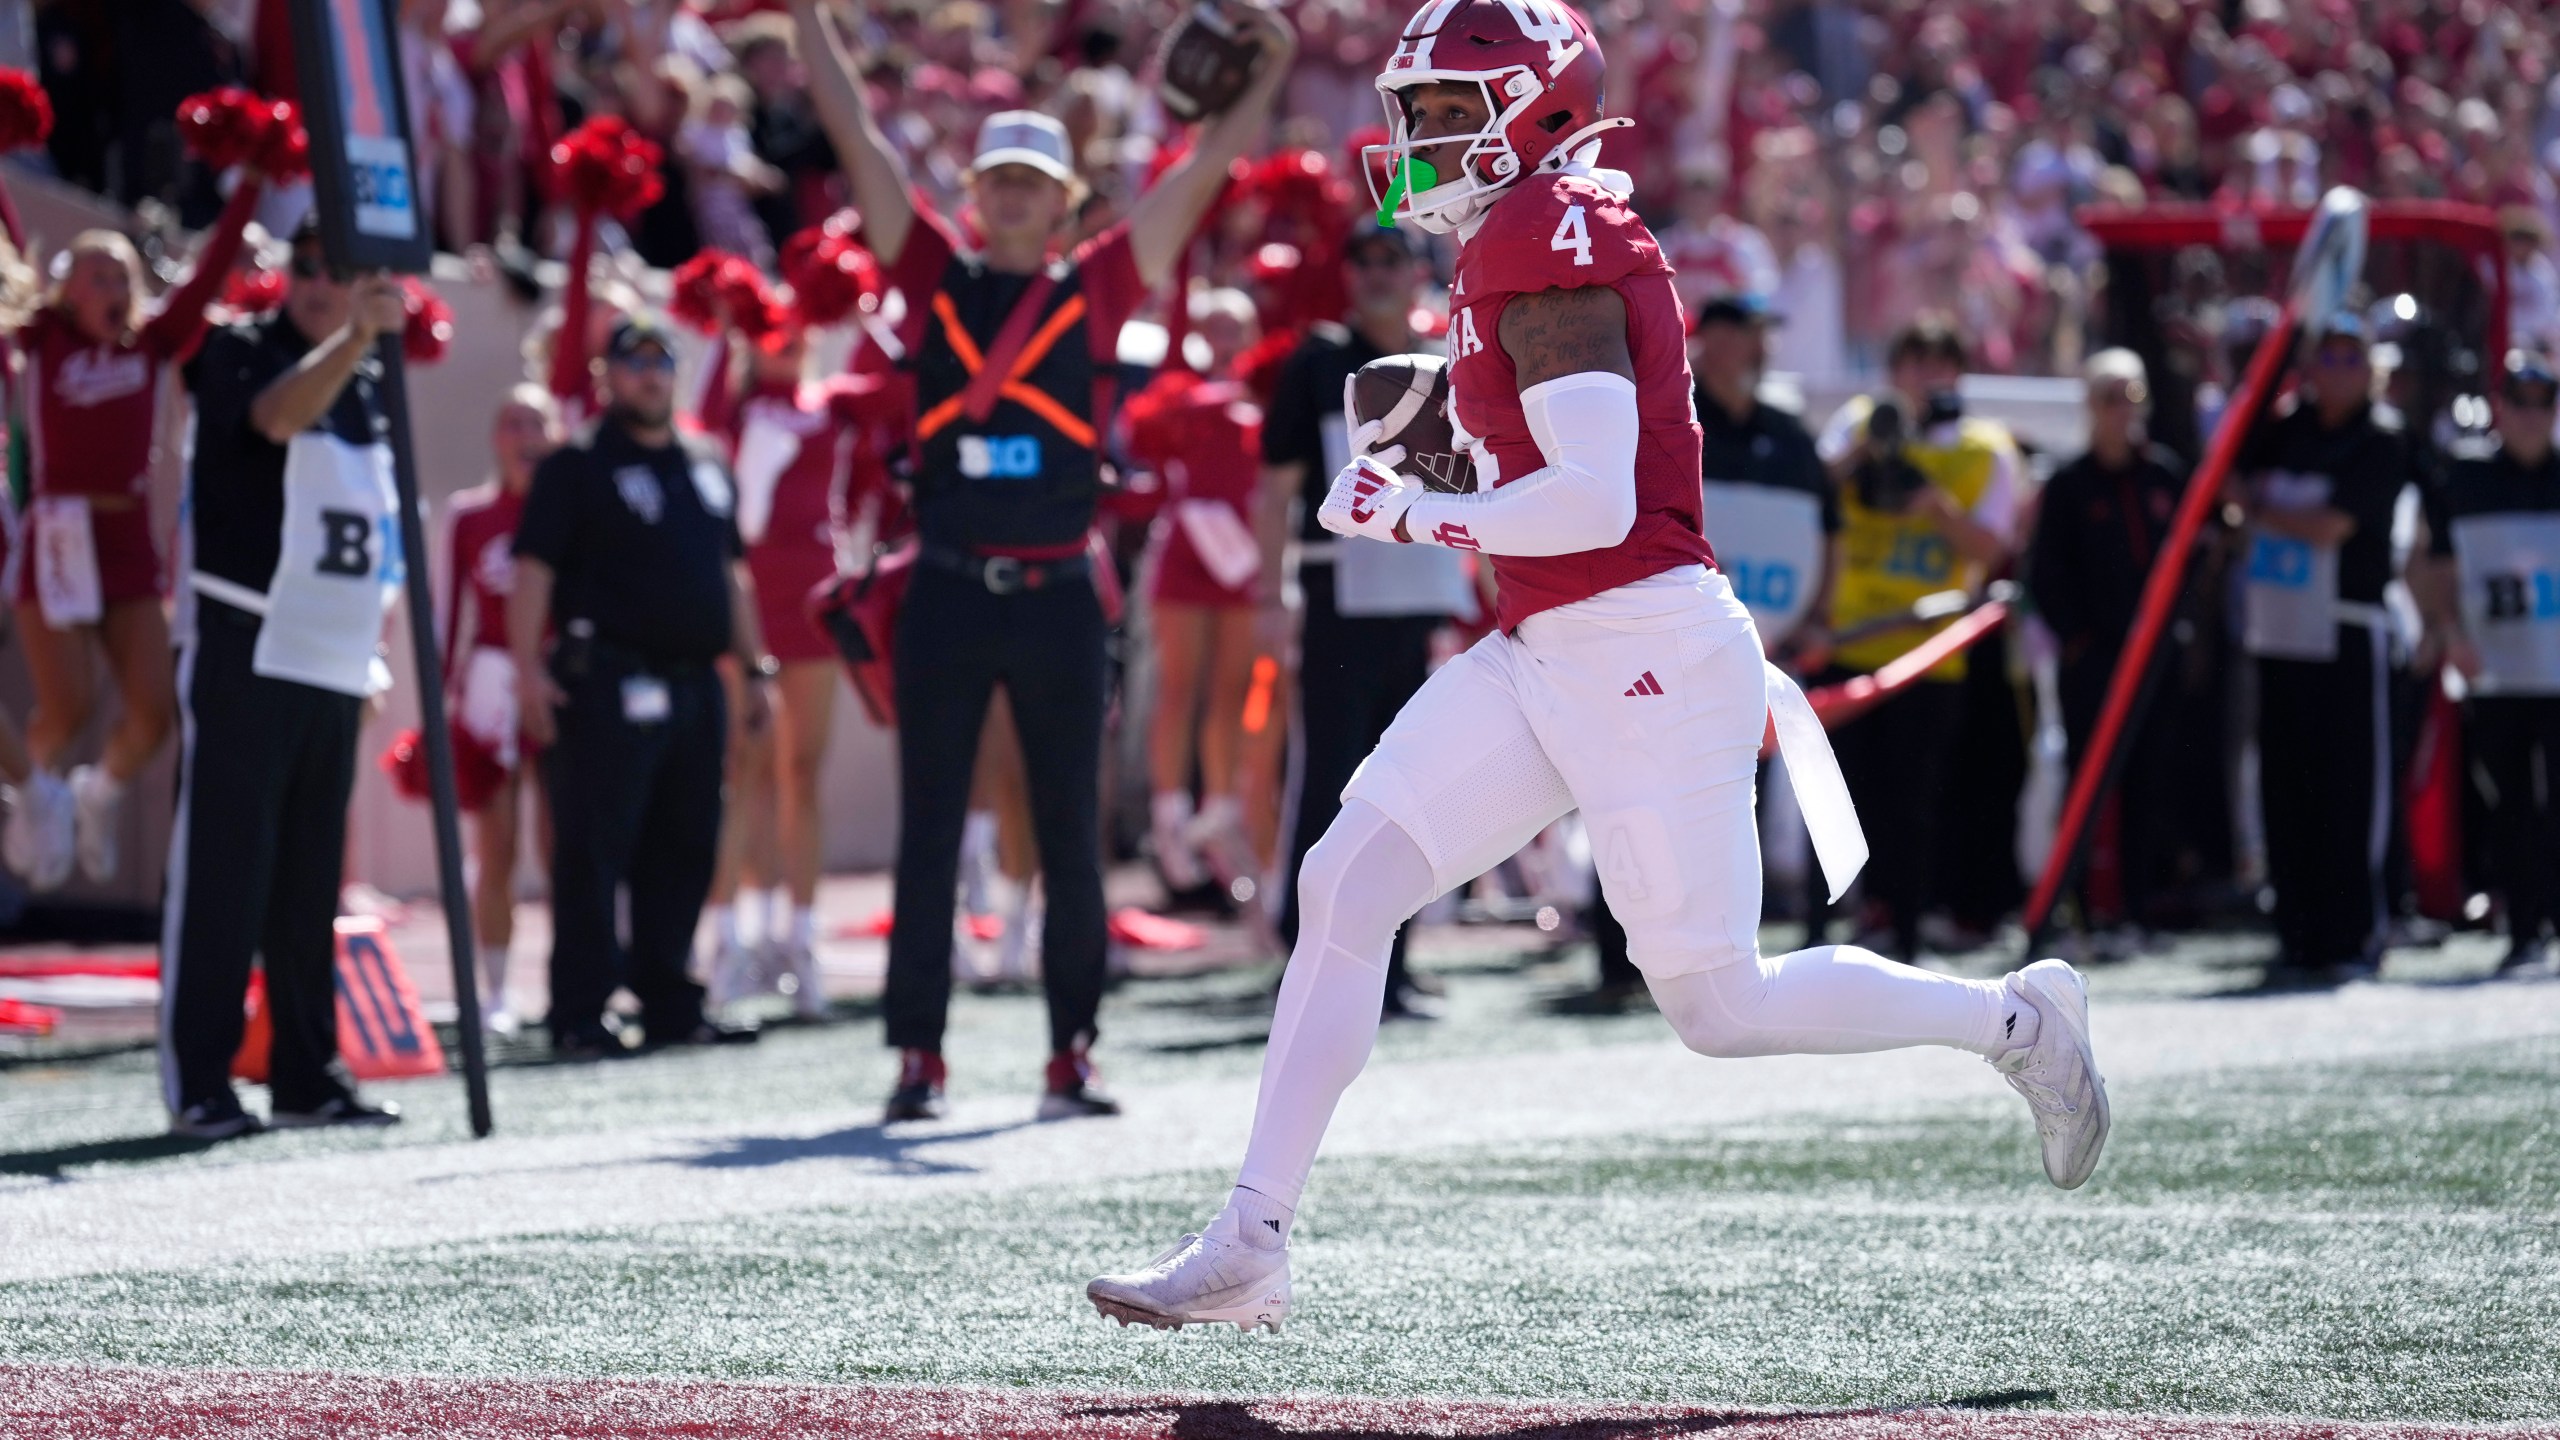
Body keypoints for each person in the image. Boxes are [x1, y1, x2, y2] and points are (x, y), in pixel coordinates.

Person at [1087, 0, 2107, 1335]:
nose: (1422, 140)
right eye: (1419, 113)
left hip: (1643, 648)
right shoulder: (1517, 237)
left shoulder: (1547, 232)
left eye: (1454, 110)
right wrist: (1450, 450)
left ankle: (2019, 1024)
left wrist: (1414, 509)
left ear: (1538, 105)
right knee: (1345, 882)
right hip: (1552, 646)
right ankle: (1251, 1239)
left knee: (1719, 1006)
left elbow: (1591, 499)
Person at [789, 0, 1298, 1123]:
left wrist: (1274, 72)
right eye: (997, 179)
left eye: (1032, 182)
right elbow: (854, 134)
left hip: (1062, 597)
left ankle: (1072, 1049)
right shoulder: (929, 273)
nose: (1012, 194)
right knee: (930, 829)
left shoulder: (1100, 285)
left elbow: (1208, 167)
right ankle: (917, 1056)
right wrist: (807, 21)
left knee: (1070, 831)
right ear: (974, 198)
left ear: (1064, 206)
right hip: (950, 590)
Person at [160, 223, 409, 1140]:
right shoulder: (238, 349)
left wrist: (368, 649)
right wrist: (354, 340)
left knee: (310, 885)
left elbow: (373, 525)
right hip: (250, 644)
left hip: (332, 659)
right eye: (307, 266)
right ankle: (201, 1080)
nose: (319, 283)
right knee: (225, 874)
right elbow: (275, 418)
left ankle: (309, 1071)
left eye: (340, 271)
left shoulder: (372, 383)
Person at [510, 314, 768, 1060]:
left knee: (686, 844)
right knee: (593, 849)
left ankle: (669, 1002)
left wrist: (756, 668)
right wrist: (529, 669)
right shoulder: (576, 464)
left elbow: (732, 573)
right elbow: (534, 571)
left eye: (662, 362)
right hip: (606, 683)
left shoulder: (707, 460)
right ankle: (581, 1011)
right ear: (607, 376)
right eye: (634, 363)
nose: (650, 376)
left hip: (695, 683)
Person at [1, 168, 263, 892]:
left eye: (120, 275)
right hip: (57, 537)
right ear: (65, 288)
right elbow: (15, 260)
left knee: (153, 717)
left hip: (125, 543)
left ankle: (95, 793)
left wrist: (249, 189)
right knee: (71, 705)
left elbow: (209, 277)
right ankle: (39, 794)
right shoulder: (44, 337)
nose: (111, 289)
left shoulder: (152, 345)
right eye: (94, 276)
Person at [1254, 220, 1461, 1018]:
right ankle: (1307, 958)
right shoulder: (1316, 364)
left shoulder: (1451, 361)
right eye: (1361, 261)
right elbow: (1275, 490)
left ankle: (1391, 964)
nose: (1374, 275)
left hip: (1424, 600)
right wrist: (1271, 597)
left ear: (1418, 273)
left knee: (1409, 789)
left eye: (1390, 260)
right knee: (1332, 789)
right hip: (1342, 600)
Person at [700, 319, 903, 1019]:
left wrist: (862, 300)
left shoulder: (834, 402)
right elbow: (700, 427)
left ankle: (800, 938)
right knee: (739, 769)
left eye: (793, 327)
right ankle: (732, 939)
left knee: (800, 771)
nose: (778, 339)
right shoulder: (731, 408)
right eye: (765, 327)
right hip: (743, 604)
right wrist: (728, 322)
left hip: (814, 603)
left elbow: (904, 388)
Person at [1812, 317, 2022, 960]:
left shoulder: (1984, 447)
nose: (1924, 377)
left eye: (1939, 363)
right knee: (1843, 800)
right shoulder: (1858, 421)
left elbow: (1994, 547)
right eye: (1912, 361)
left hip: (1931, 652)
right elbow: (1811, 495)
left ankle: (1907, 926)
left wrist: (1934, 506)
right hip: (1849, 639)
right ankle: (1845, 925)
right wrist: (1870, 449)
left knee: (1914, 802)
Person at [2231, 313, 2425, 985]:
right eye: (2327, 356)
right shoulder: (2287, 429)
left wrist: (2258, 506)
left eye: (2352, 358)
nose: (2337, 371)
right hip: (2280, 633)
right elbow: (2231, 472)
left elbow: (2328, 527)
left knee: (2352, 793)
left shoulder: (2382, 439)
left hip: (2347, 634)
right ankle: (2299, 935)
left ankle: (2356, 934)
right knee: (2287, 789)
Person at [2026, 350, 2190, 946]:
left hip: (2154, 662)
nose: (2122, 411)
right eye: (2109, 397)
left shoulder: (2164, 475)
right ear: (2090, 407)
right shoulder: (2069, 485)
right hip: (2094, 663)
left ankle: (2141, 907)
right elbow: (2044, 574)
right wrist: (2080, 642)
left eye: (2132, 396)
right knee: (2088, 783)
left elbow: (2190, 562)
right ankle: (2083, 910)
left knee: (2153, 779)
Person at [2412, 349, 2560, 976]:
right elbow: (2426, 561)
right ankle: (2524, 928)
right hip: (2496, 670)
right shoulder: (2464, 477)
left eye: (2542, 404)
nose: (2530, 417)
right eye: (2518, 403)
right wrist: (2449, 632)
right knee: (2511, 805)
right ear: (2500, 407)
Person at [1127, 288, 1265, 897]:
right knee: (1179, 687)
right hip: (1187, 555)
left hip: (1240, 558)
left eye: (1234, 326)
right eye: (1211, 326)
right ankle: (1168, 813)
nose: (1223, 337)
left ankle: (1221, 808)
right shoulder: (1176, 396)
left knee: (1232, 691)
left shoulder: (1265, 399)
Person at [439, 385, 563, 1033]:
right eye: (511, 422)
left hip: (557, 681)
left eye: (535, 422)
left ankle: (572, 983)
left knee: (562, 839)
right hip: (490, 686)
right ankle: (494, 991)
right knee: (497, 843)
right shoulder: (470, 515)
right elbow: (447, 613)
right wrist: (443, 698)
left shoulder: (571, 510)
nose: (524, 435)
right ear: (496, 437)